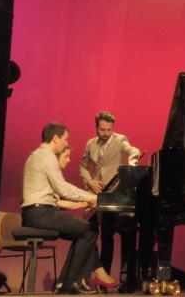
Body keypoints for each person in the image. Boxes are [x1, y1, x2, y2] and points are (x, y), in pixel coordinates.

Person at [21, 122, 118, 294]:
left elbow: (59, 195)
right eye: (65, 139)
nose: (67, 143)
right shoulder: (46, 155)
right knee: (89, 231)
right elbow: (63, 189)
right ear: (56, 138)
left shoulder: (39, 155)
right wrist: (93, 197)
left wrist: (87, 200)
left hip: (37, 212)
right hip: (40, 212)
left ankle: (64, 283)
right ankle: (70, 282)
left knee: (82, 232)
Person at [79, 111, 141, 287]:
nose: (105, 133)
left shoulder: (120, 140)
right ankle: (93, 275)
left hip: (113, 196)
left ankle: (103, 280)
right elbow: (83, 166)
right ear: (96, 127)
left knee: (107, 238)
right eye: (102, 129)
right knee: (89, 234)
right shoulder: (90, 143)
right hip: (96, 194)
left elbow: (132, 149)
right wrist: (90, 181)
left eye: (109, 129)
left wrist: (134, 155)